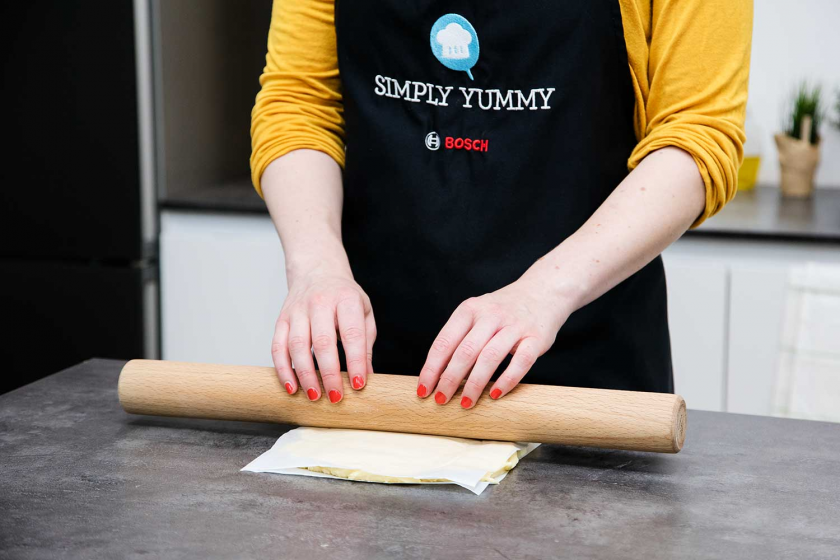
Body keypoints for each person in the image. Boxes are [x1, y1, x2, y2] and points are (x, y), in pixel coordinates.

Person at [250, 0, 752, 408]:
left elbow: (696, 135)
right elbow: (300, 105)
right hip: (372, 377)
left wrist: (540, 295)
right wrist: (317, 268)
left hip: (581, 388)